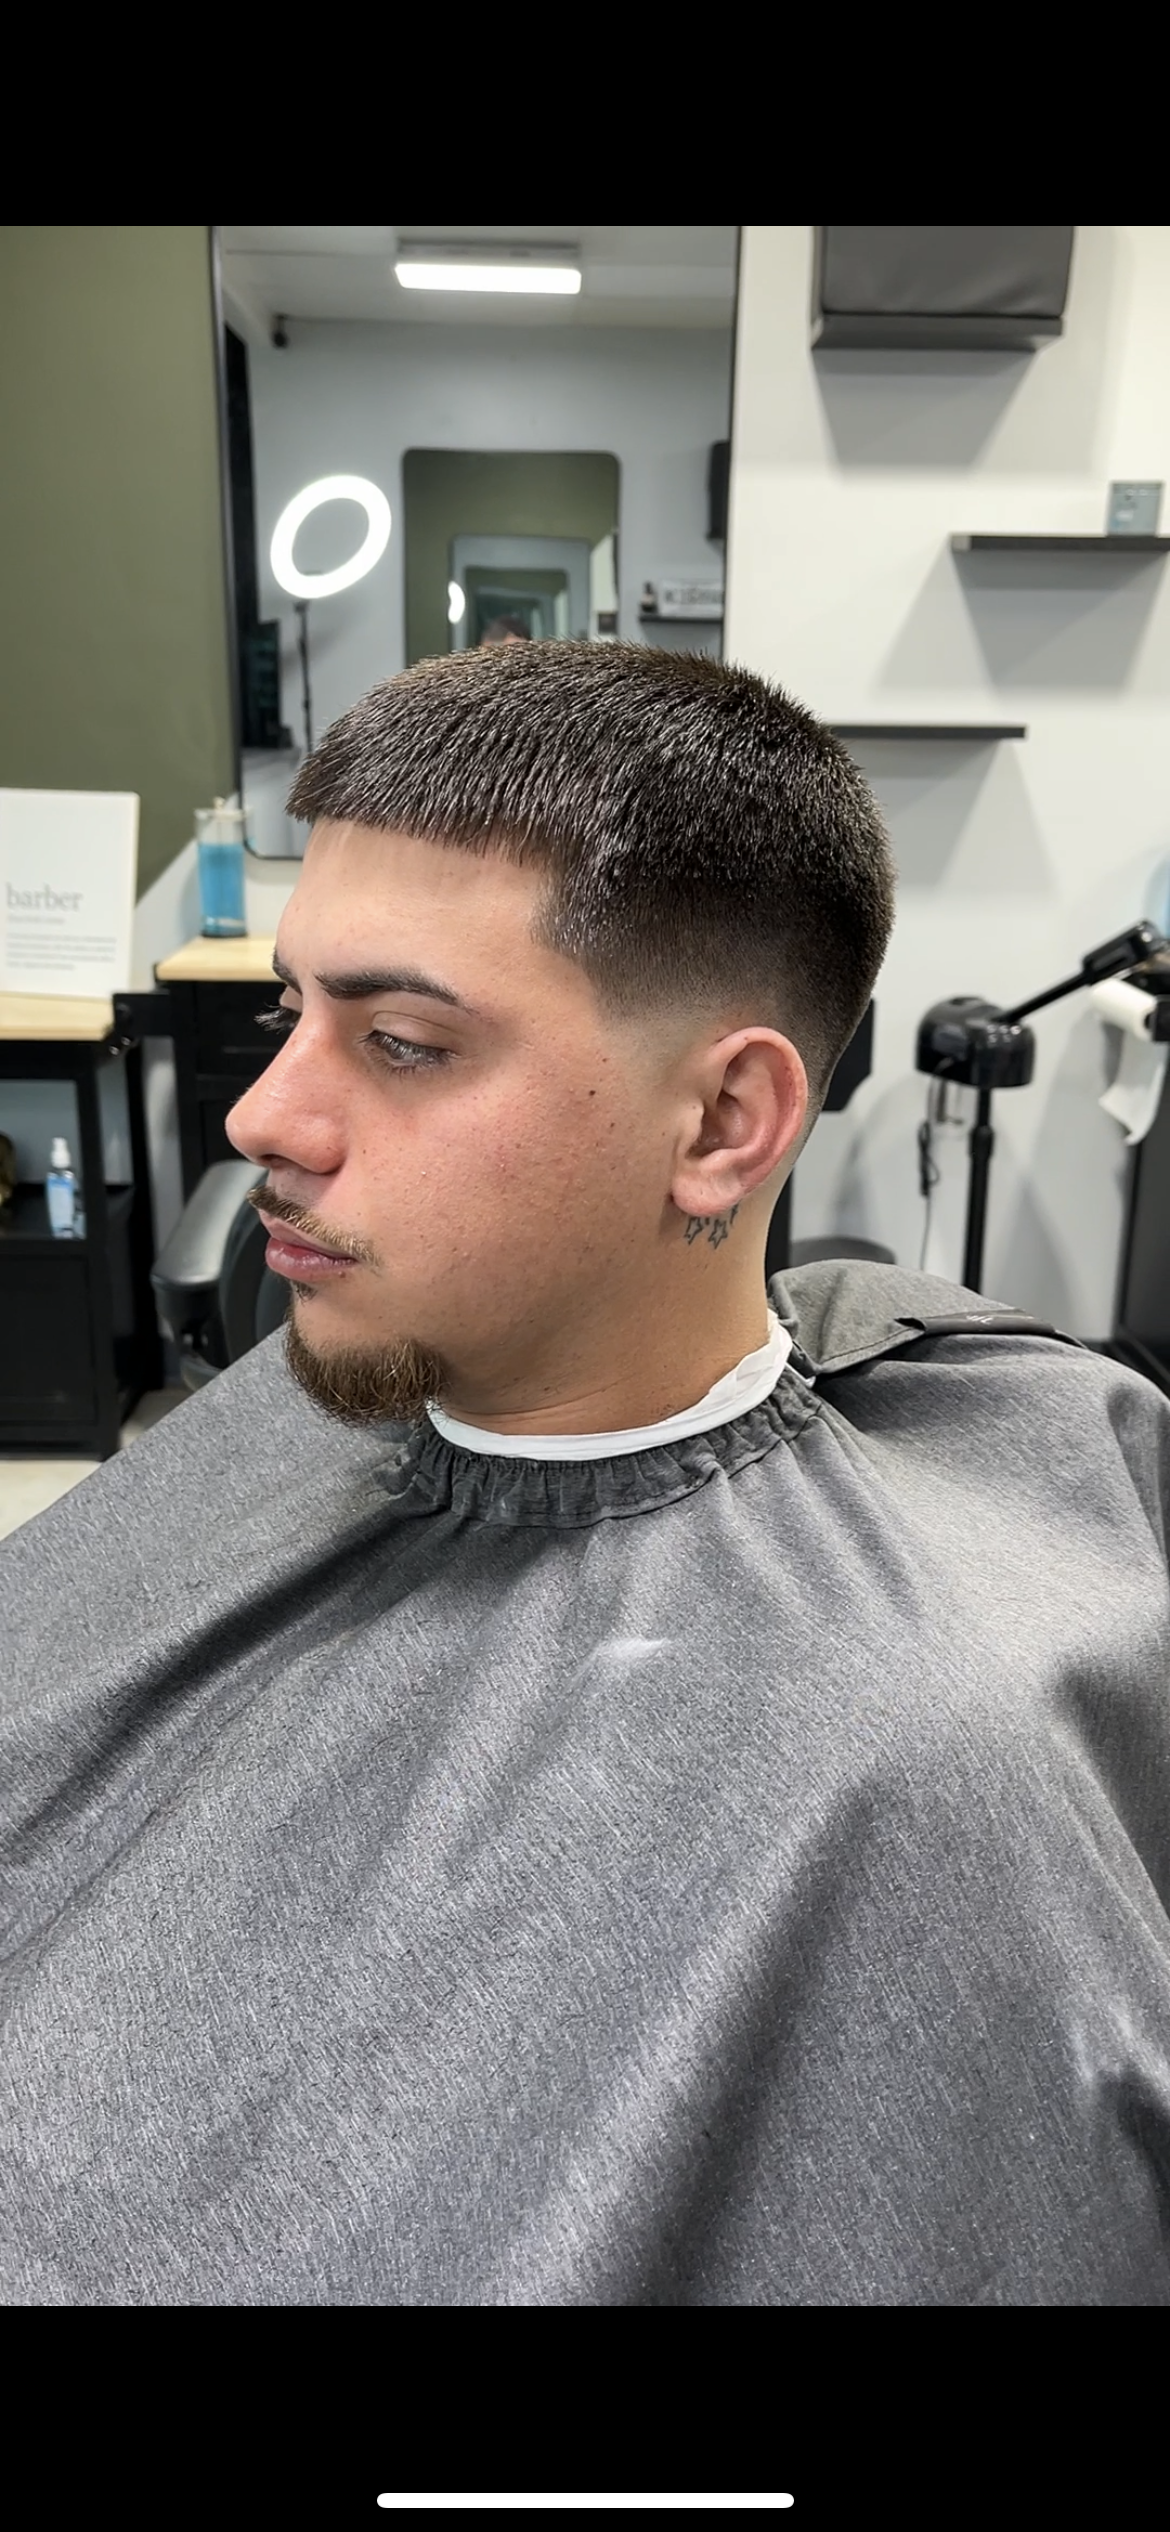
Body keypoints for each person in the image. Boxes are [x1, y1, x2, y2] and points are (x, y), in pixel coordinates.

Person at [2, 640, 1170, 2308]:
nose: (262, 1115)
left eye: (403, 1042)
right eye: (288, 1013)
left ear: (721, 1124)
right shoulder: (304, 1406)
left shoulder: (903, 1775)